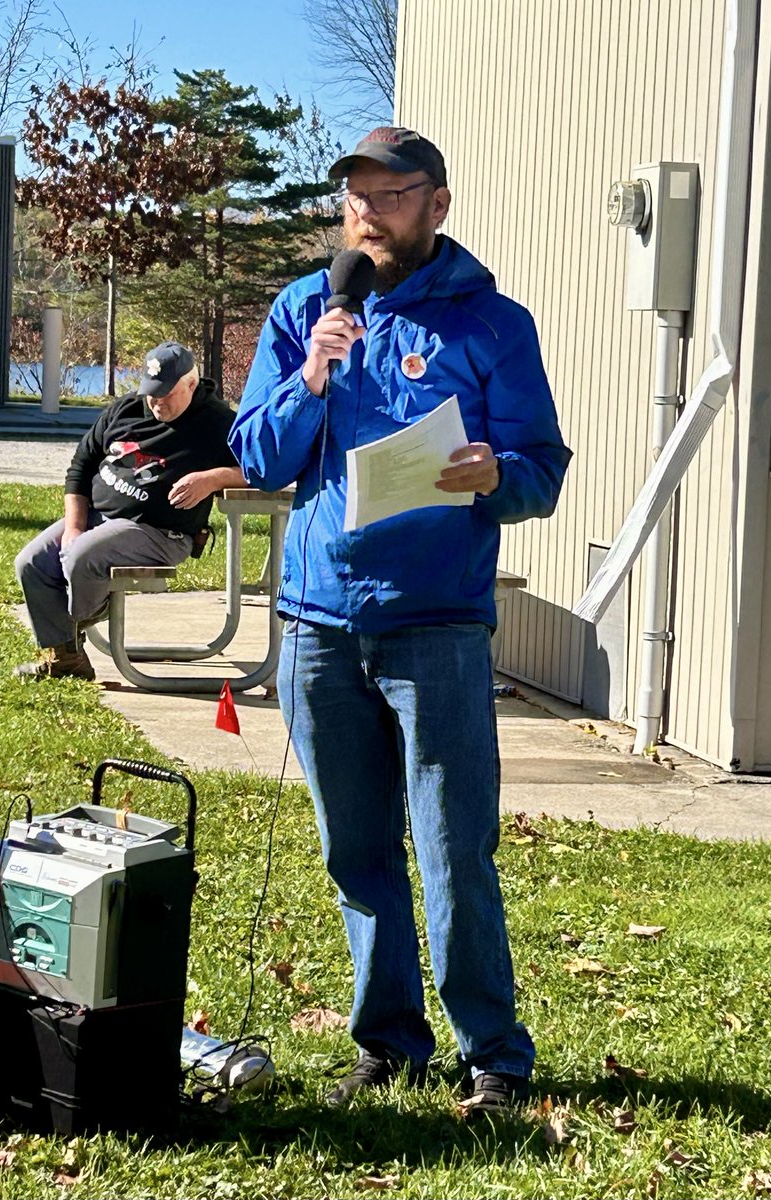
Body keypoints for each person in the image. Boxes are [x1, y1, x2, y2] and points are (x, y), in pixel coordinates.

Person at [229, 127, 572, 1113]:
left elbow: (541, 470)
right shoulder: (307, 308)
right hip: (319, 625)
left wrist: (496, 473)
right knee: (356, 848)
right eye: (356, 199)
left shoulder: (492, 323)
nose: (367, 216)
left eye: (389, 196)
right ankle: (388, 1044)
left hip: (436, 626)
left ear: (437, 204)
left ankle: (493, 1055)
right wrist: (311, 377)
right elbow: (259, 455)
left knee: (454, 844)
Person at [14, 341, 246, 680]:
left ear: (192, 384)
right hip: (97, 517)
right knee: (31, 562)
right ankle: (67, 660)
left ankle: (73, 623)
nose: (157, 401)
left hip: (159, 532)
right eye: (152, 392)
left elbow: (263, 471)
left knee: (81, 557)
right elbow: (80, 468)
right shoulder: (125, 409)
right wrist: (75, 526)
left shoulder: (220, 423)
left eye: (167, 393)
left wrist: (214, 478)